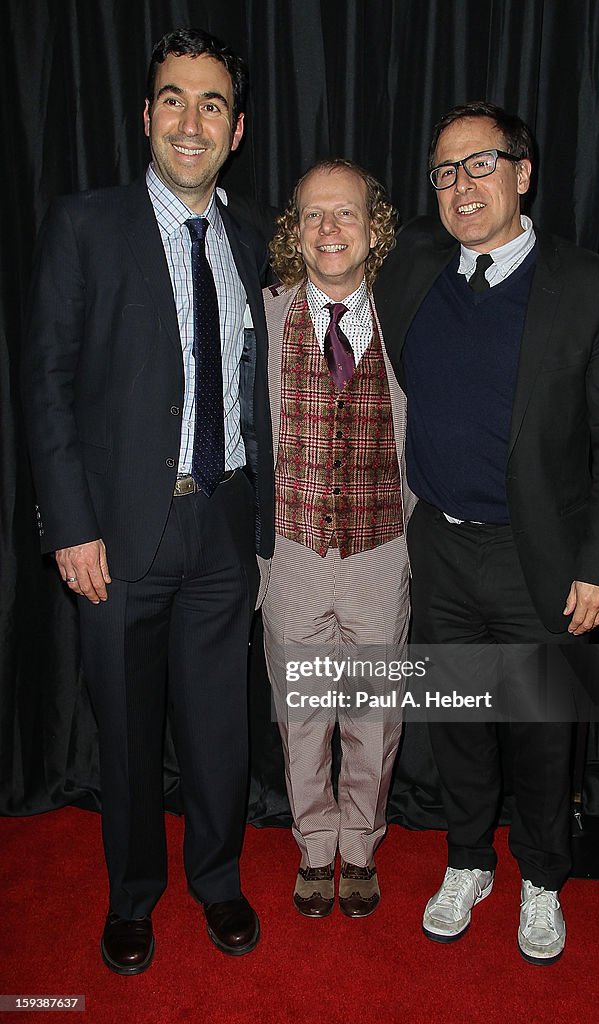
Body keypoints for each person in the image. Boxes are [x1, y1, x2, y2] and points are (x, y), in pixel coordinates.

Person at [21, 28, 274, 974]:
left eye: (212, 103)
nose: (191, 119)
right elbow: (45, 384)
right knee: (124, 727)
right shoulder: (84, 225)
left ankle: (216, 880)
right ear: (146, 114)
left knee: (217, 724)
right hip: (119, 530)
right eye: (174, 98)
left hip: (223, 518)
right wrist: (70, 525)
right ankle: (132, 896)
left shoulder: (251, 238)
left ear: (237, 128)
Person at [374, 102, 599, 962]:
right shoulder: (414, 264)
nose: (461, 186)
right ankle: (466, 861)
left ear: (522, 173)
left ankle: (540, 877)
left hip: (542, 556)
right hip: (442, 548)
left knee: (539, 733)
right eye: (445, 171)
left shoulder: (592, 289)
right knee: (455, 723)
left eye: (481, 164)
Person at [261, 160, 415, 918]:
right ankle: (313, 848)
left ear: (372, 226)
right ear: (295, 229)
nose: (329, 229)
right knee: (302, 717)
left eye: (345, 214)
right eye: (313, 215)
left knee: (373, 718)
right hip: (289, 550)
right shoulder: (262, 316)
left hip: (381, 549)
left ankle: (360, 846)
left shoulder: (409, 315)